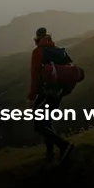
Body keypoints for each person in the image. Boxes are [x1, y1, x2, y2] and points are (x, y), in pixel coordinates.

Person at [27, 27, 75, 164]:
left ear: (37, 38)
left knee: (39, 125)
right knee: (46, 121)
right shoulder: (56, 50)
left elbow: (35, 76)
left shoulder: (38, 52)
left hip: (45, 93)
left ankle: (64, 146)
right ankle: (49, 153)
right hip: (58, 92)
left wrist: (31, 97)